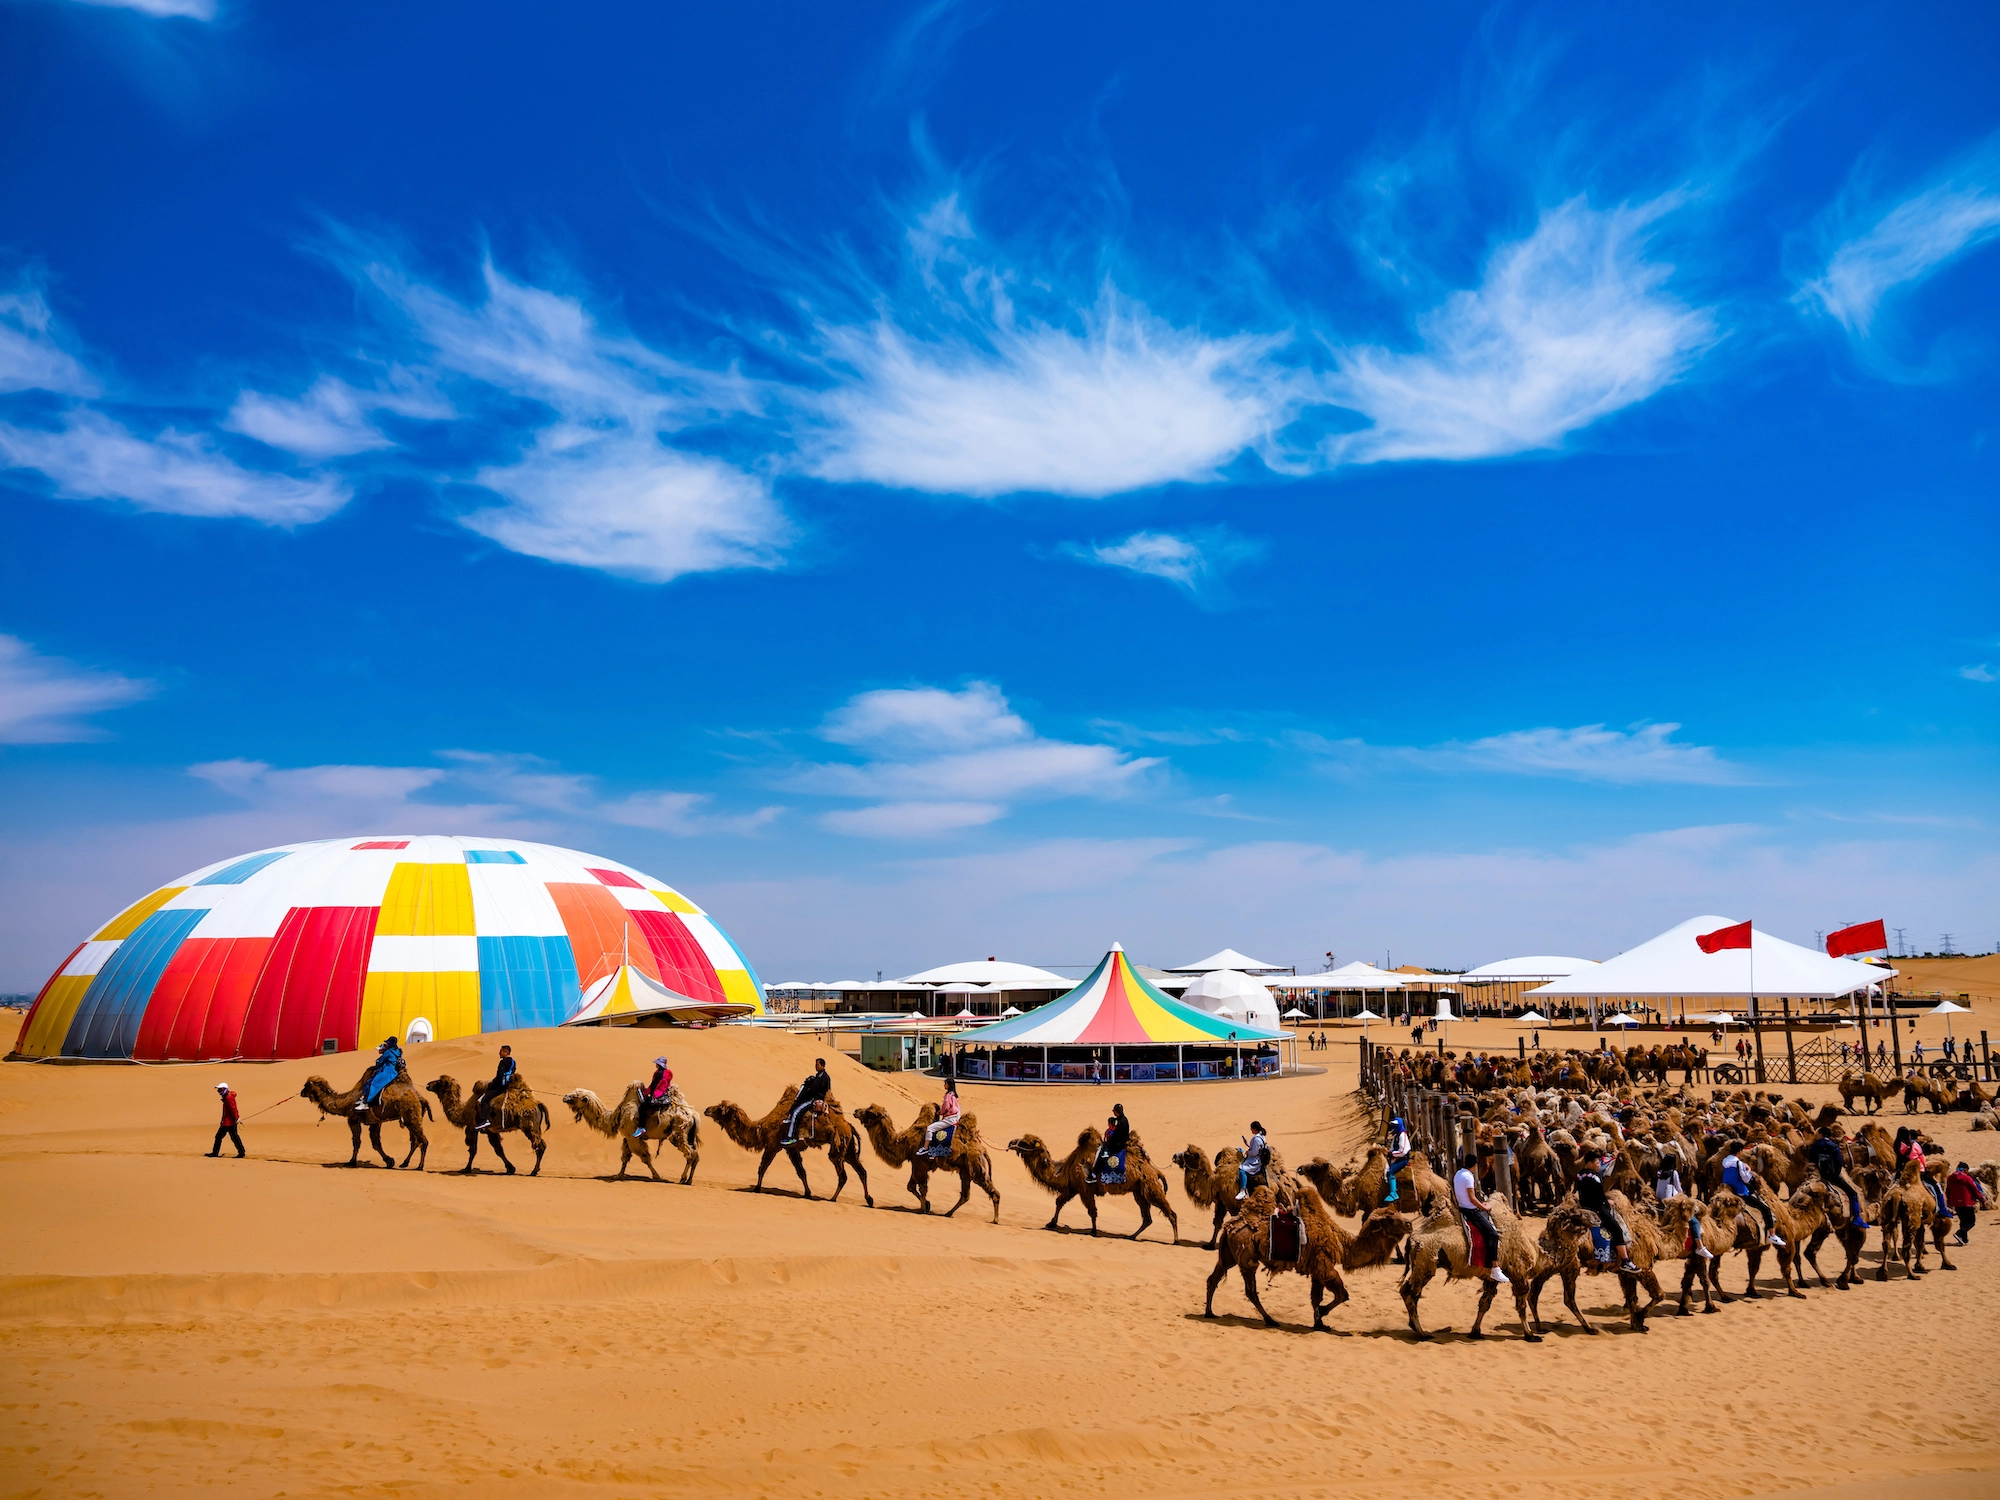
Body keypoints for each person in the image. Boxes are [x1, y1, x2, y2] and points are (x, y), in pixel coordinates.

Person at [1455, 1151, 1509, 1282]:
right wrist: (1483, 1207)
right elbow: (1472, 1198)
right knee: (1493, 1235)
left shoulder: (1458, 1174)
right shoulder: (1469, 1177)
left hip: (1462, 1207)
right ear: (1474, 1165)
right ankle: (1495, 1268)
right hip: (1471, 1211)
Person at [1721, 1140, 1783, 1247]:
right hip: (1740, 1192)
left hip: (1728, 1190)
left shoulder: (1725, 1161)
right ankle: (1772, 1235)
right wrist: (1748, 1170)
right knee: (1765, 1209)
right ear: (1740, 1151)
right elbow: (1746, 1179)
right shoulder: (1738, 1163)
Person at [1807, 1124, 1867, 1229]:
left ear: (1820, 1134)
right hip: (1832, 1176)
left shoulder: (1815, 1145)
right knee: (1853, 1193)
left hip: (1817, 1174)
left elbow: (1811, 1160)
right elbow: (1839, 1162)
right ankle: (1856, 1218)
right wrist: (1835, 1174)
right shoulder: (1834, 1146)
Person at [1655, 1151, 1711, 1259]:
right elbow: (1678, 1188)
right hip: (1672, 1200)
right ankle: (1700, 1247)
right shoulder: (1673, 1173)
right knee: (1693, 1221)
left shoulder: (1659, 1172)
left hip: (1661, 1198)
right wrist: (1684, 1196)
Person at [781, 1057, 832, 1146]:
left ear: (823, 1066)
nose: (816, 1067)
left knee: (796, 1113)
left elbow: (814, 1090)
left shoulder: (824, 1078)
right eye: (815, 1065)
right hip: (813, 1099)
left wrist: (808, 1088)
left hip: (814, 1100)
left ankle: (791, 1137)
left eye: (817, 1065)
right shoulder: (819, 1076)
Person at [474, 1044, 517, 1133]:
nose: (499, 1053)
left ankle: (485, 1119)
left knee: (484, 1100)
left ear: (506, 1052)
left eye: (501, 1051)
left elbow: (500, 1076)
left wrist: (491, 1084)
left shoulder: (503, 1062)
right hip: (508, 1086)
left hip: (499, 1087)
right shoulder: (513, 1062)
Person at [355, 1036, 404, 1113]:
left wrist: (377, 1066)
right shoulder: (397, 1051)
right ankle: (363, 1097)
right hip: (393, 1070)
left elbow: (380, 1061)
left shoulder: (389, 1052)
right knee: (369, 1081)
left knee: (374, 1083)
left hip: (388, 1071)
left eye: (387, 1043)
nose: (386, 1044)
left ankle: (366, 1103)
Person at [1088, 1103, 1130, 1185]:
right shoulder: (1123, 1120)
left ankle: (1094, 1175)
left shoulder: (1121, 1122)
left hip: (1118, 1145)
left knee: (1101, 1154)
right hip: (1120, 1143)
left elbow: (1116, 1136)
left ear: (1115, 1112)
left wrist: (1108, 1141)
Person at [632, 1056, 673, 1139]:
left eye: (657, 1064)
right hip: (664, 1096)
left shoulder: (659, 1073)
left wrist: (645, 1092)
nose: (656, 1065)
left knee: (642, 1107)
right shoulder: (667, 1073)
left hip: (657, 1096)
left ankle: (641, 1128)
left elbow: (654, 1085)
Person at [1946, 1162, 1986, 1244]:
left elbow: (1948, 1190)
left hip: (1956, 1203)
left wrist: (1949, 1201)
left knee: (1963, 1221)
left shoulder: (1950, 1178)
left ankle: (1964, 1239)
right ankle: (1959, 1233)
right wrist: (1982, 1200)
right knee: (1971, 1222)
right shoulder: (1966, 1178)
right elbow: (1975, 1190)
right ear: (1965, 1170)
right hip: (1966, 1202)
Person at [922, 1081, 962, 1158]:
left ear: (948, 1085)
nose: (944, 1085)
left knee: (930, 1128)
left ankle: (926, 1148)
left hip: (949, 1119)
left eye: (945, 1083)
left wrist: (939, 1112)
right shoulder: (954, 1095)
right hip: (955, 1118)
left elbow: (946, 1107)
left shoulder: (948, 1096)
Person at [207, 1081, 244, 1158]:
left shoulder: (228, 1097)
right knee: (233, 1137)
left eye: (220, 1089)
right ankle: (241, 1152)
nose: (218, 1091)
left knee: (223, 1137)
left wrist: (237, 1118)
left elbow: (233, 1109)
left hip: (228, 1123)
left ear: (224, 1089)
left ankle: (215, 1153)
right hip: (227, 1122)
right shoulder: (226, 1097)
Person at [1236, 1121, 1268, 1201]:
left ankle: (1242, 1191)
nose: (1251, 1131)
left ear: (1255, 1129)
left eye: (1251, 1129)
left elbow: (1254, 1152)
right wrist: (1247, 1144)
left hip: (1255, 1161)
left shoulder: (1256, 1139)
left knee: (1242, 1170)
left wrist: (1246, 1152)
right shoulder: (1262, 1136)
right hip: (1257, 1158)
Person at [1382, 1116, 1412, 1204]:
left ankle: (1394, 1193)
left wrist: (1392, 1154)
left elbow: (1403, 1151)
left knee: (1391, 1171)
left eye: (1395, 1125)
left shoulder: (1402, 1135)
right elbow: (1392, 1148)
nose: (1394, 1127)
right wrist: (1388, 1152)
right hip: (1396, 1157)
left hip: (1403, 1159)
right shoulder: (1396, 1136)